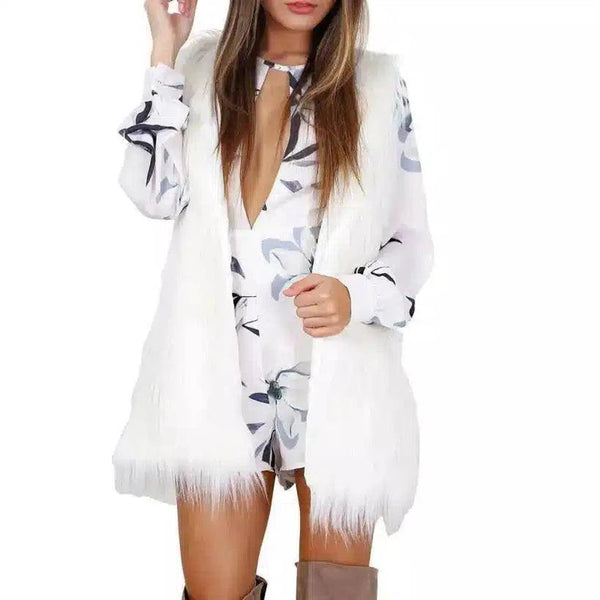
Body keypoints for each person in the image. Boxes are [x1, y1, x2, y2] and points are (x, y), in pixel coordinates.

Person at [114, 1, 433, 598]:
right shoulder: (201, 74)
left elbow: (409, 244)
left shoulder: (374, 86)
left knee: (336, 591)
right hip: (220, 384)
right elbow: (153, 192)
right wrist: (165, 52)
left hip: (336, 383)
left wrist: (354, 294)